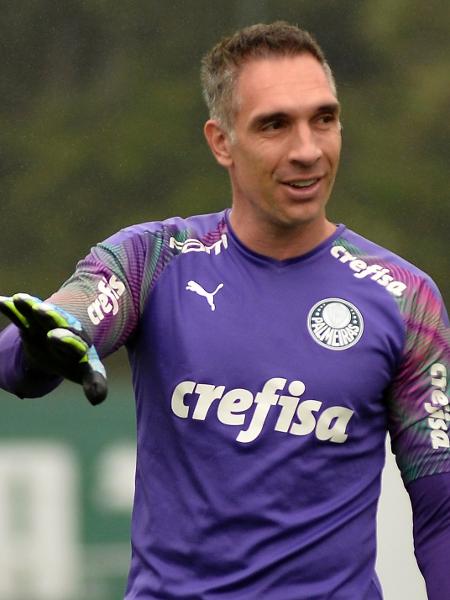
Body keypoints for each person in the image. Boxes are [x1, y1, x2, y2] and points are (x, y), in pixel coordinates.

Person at [0, 21, 448, 600]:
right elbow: (71, 318)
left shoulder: (404, 298)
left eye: (324, 119)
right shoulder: (155, 259)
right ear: (221, 141)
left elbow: (441, 512)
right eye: (274, 125)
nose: (307, 150)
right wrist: (44, 344)